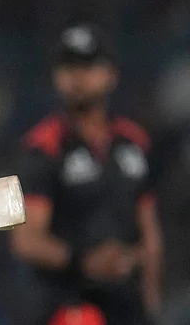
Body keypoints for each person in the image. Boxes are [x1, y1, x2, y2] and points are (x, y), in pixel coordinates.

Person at [10, 23, 163, 324]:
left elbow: (150, 233)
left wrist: (151, 301)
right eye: (68, 67)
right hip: (69, 306)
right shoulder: (44, 148)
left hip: (128, 306)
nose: (77, 77)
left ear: (111, 74)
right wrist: (84, 261)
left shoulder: (134, 142)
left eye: (88, 66)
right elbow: (26, 240)